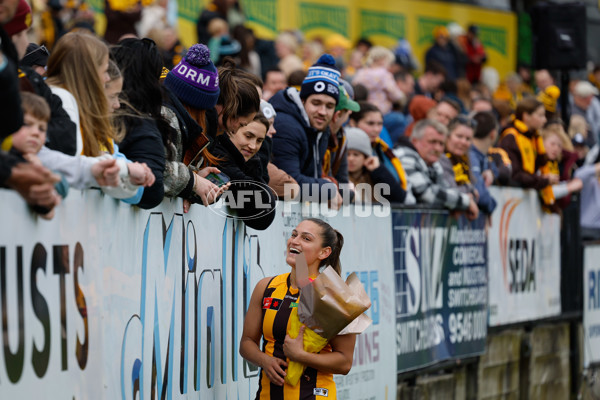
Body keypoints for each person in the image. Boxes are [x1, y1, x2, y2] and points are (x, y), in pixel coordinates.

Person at [239, 218, 355, 399]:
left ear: (324, 252)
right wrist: (265, 361)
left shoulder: (335, 296)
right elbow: (246, 343)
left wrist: (301, 356)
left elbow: (344, 363)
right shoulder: (266, 286)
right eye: (294, 235)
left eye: (306, 239)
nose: (295, 241)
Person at [45, 32, 156, 204]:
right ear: (87, 71)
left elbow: (94, 175)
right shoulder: (60, 100)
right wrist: (125, 169)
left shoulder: (81, 108)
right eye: (104, 71)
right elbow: (71, 166)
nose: (106, 78)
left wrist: (131, 178)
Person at [270, 54, 343, 207]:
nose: (323, 112)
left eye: (329, 106)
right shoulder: (286, 126)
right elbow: (290, 182)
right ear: (302, 101)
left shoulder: (319, 125)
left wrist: (330, 186)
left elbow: (314, 175)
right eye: (316, 103)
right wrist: (328, 189)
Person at [394, 119, 479, 218]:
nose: (438, 148)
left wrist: (458, 203)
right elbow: (426, 193)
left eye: (441, 144)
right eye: (432, 142)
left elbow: (446, 189)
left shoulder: (433, 163)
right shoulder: (405, 155)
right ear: (415, 141)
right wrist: (466, 201)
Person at [210, 112, 276, 230]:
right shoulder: (217, 156)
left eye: (259, 140)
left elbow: (263, 217)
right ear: (231, 129)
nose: (253, 146)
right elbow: (261, 209)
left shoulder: (249, 162)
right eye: (248, 136)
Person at [348, 101, 407, 193]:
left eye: (380, 124)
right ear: (353, 123)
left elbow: (398, 195)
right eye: (370, 123)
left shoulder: (383, 149)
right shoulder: (340, 149)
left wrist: (378, 170)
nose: (376, 129)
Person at [498, 97, 553, 189]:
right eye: (540, 115)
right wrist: (543, 180)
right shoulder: (511, 137)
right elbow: (515, 175)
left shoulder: (533, 138)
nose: (545, 120)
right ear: (526, 116)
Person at [346, 127, 406, 204]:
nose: (351, 158)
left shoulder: (374, 175)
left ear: (365, 157)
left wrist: (378, 170)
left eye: (356, 155)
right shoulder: (336, 175)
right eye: (347, 154)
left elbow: (399, 198)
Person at [351, 46, 405, 115]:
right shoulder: (385, 74)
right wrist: (402, 97)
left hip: (362, 109)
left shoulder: (361, 72)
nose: (390, 66)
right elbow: (396, 95)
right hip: (381, 111)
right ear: (382, 60)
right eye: (389, 63)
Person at [469, 111, 498, 214]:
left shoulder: (483, 156)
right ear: (493, 134)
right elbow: (480, 194)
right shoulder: (471, 156)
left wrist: (492, 173)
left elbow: (497, 170)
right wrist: (492, 205)